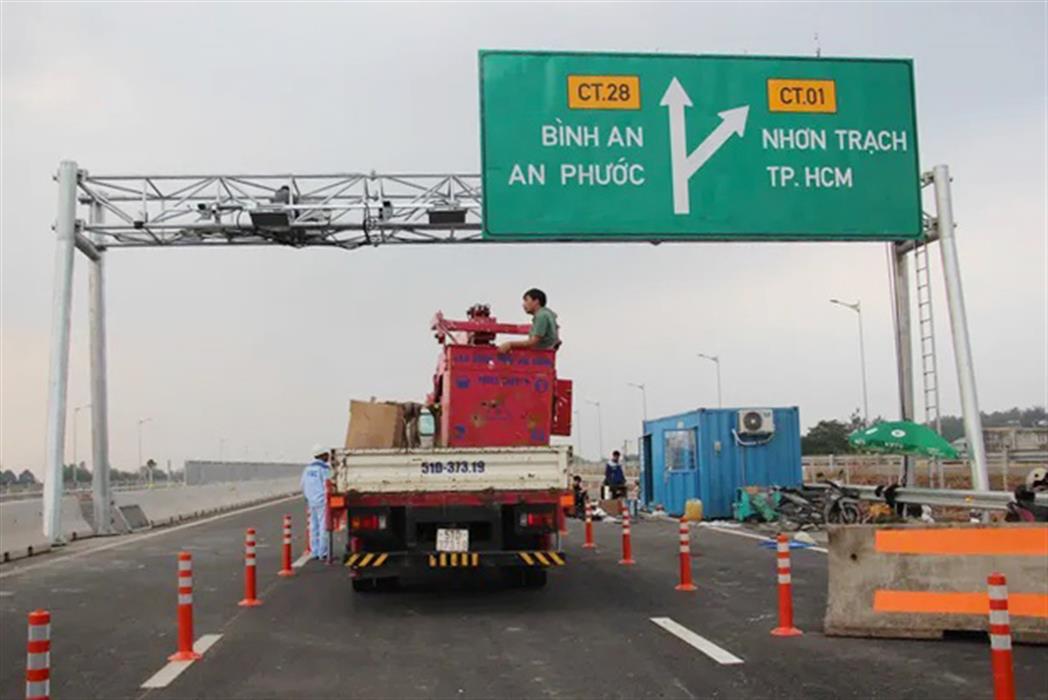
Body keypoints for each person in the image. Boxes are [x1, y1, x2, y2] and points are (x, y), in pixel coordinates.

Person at [497, 288, 560, 353]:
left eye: (526, 300)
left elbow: (533, 342)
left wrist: (510, 344)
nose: (523, 305)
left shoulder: (541, 316)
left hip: (540, 355)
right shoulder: (548, 314)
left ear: (536, 301)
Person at [301, 444, 332, 559]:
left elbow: (302, 485)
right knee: (323, 526)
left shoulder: (307, 469)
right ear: (323, 455)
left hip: (311, 501)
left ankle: (314, 551)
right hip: (322, 501)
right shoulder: (324, 469)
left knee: (313, 527)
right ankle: (323, 552)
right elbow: (329, 484)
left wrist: (308, 497)